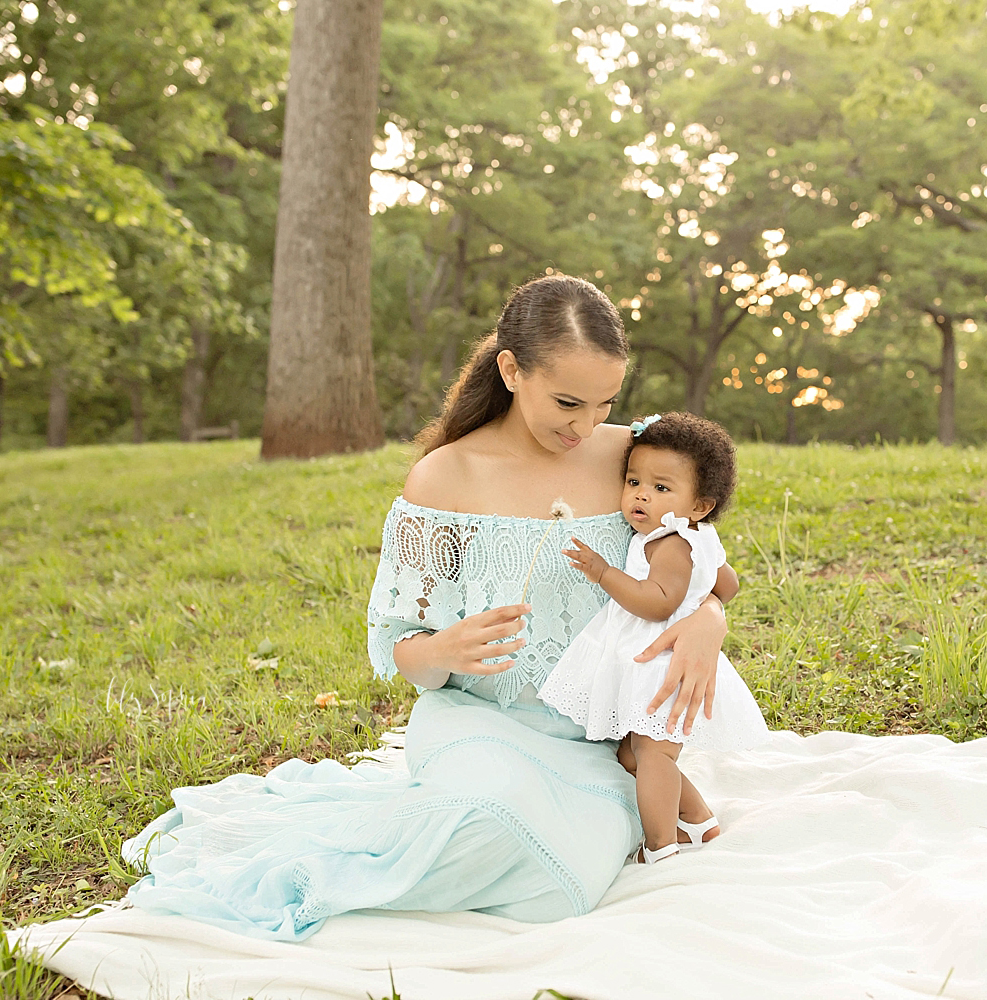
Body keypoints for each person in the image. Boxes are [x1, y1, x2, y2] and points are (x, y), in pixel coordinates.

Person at [120, 274, 737, 940]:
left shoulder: (632, 458)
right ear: (510, 369)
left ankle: (575, 821)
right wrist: (442, 650)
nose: (586, 426)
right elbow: (399, 647)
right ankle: (321, 879)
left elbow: (699, 564)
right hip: (477, 721)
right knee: (488, 820)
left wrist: (708, 621)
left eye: (605, 403)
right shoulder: (444, 476)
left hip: (600, 741)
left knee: (557, 884)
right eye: (567, 402)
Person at [538, 412, 769, 864]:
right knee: (633, 754)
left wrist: (603, 572)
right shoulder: (698, 535)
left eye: (661, 488)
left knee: (653, 755)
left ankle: (660, 844)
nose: (641, 495)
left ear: (700, 504)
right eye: (633, 481)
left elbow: (657, 602)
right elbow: (729, 584)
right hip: (662, 658)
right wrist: (705, 594)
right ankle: (700, 820)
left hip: (663, 663)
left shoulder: (668, 544)